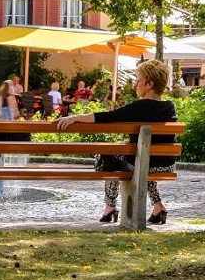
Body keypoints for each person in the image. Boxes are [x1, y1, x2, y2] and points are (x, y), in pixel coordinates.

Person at [57, 59, 177, 225]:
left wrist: (76, 117)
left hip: (143, 164)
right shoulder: (170, 106)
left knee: (109, 156)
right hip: (166, 165)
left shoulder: (140, 106)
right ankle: (158, 206)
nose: (135, 84)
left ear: (149, 84)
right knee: (141, 158)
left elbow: (108, 117)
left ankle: (110, 206)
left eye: (139, 80)